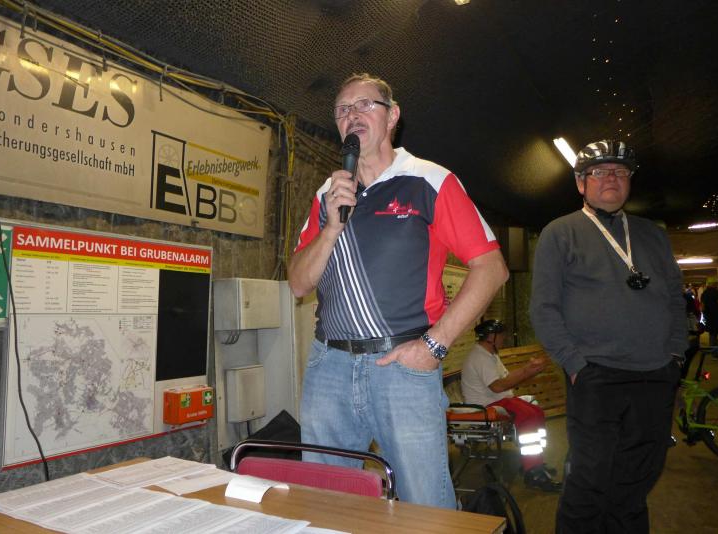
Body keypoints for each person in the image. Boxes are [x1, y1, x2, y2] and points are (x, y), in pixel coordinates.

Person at [288, 73, 509, 509]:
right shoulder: (327, 194)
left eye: (364, 105)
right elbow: (298, 282)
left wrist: (434, 346)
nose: (352, 115)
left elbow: (491, 268)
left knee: (426, 504)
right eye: (342, 109)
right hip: (329, 366)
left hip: (402, 367)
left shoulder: (429, 180)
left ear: (392, 117)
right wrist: (330, 227)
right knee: (326, 503)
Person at [529, 140, 686, 533]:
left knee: (639, 476)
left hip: (656, 374)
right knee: (590, 479)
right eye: (599, 172)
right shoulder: (560, 232)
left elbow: (674, 298)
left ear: (630, 181)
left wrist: (675, 355)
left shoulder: (652, 234)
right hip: (596, 375)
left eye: (620, 171)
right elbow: (543, 308)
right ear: (581, 183)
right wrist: (575, 365)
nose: (611, 178)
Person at [461, 319, 562, 491]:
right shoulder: (480, 357)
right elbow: (497, 386)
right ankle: (533, 472)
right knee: (528, 416)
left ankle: (534, 462)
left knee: (537, 412)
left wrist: (528, 370)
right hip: (487, 404)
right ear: (491, 337)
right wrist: (526, 371)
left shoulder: (490, 354)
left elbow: (505, 378)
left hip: (497, 399)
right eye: (501, 335)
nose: (504, 338)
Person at [701, 277, 718, 353]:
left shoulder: (704, 293)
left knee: (712, 334)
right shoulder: (717, 292)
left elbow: (702, 307)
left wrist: (705, 315)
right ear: (715, 284)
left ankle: (713, 352)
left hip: (710, 317)